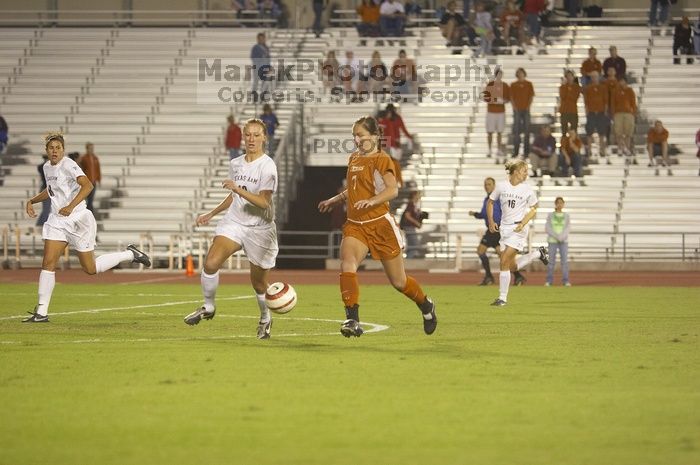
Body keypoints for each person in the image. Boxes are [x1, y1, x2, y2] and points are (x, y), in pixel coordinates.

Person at [317, 115, 437, 337]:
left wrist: (371, 201)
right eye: (354, 135)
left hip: (380, 225)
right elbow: (355, 189)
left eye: (360, 135)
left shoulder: (382, 160)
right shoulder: (354, 158)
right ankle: (352, 319)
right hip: (356, 225)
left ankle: (426, 304)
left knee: (399, 283)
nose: (356, 139)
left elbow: (392, 190)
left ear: (375, 136)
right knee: (347, 264)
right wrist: (335, 200)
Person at [22, 132, 151, 323]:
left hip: (78, 219)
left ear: (63, 150)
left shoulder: (69, 164)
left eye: (58, 147)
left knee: (91, 269)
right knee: (48, 263)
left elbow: (88, 186)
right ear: (47, 151)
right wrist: (32, 200)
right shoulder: (47, 167)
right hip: (57, 221)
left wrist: (70, 206)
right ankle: (41, 311)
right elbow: (51, 191)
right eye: (51, 148)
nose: (55, 151)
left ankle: (130, 254)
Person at [183, 119, 279, 340]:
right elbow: (234, 196)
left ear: (264, 137)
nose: (252, 139)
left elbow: (264, 202)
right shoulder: (236, 163)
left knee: (258, 283)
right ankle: (208, 306)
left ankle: (265, 317)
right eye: (248, 135)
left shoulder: (267, 166)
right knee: (211, 262)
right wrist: (212, 213)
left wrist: (237, 188)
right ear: (243, 137)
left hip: (260, 229)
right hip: (234, 222)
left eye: (256, 135)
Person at [486, 159, 548, 307]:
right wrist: (491, 221)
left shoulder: (527, 189)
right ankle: (538, 254)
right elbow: (490, 202)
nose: (526, 173)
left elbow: (534, 208)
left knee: (503, 261)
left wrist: (523, 223)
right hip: (504, 229)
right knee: (512, 266)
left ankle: (502, 298)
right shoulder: (502, 186)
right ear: (515, 172)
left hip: (518, 230)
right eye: (524, 170)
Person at [469, 177, 526, 286]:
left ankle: (516, 276)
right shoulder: (487, 200)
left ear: (494, 186)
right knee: (482, 251)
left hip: (498, 230)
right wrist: (475, 214)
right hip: (491, 230)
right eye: (485, 184)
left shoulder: (499, 198)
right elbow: (484, 215)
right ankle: (490, 276)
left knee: (503, 256)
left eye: (489, 184)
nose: (487, 186)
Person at [380, 103, 412, 187]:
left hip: (392, 144)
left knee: (394, 163)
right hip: (391, 144)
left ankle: (397, 180)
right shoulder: (385, 120)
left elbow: (400, 130)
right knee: (393, 163)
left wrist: (409, 137)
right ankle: (396, 180)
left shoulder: (389, 120)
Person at [583, 71, 610, 161]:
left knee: (601, 133)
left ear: (598, 77)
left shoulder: (603, 87)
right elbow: (586, 101)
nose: (594, 78)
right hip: (591, 112)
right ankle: (590, 150)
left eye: (596, 76)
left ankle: (602, 150)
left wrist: (605, 111)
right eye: (592, 77)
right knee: (589, 133)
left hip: (601, 112)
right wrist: (586, 111)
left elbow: (606, 100)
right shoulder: (588, 88)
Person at [483, 67, 510, 158]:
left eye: (501, 74)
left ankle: (498, 149)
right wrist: (494, 100)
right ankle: (489, 149)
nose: (499, 76)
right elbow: (485, 98)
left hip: (501, 112)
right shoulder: (490, 84)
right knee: (490, 131)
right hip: (491, 111)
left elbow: (508, 98)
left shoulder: (505, 85)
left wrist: (502, 101)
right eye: (498, 74)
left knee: (499, 132)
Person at [545, 197, 571, 287]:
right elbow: (547, 228)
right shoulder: (550, 215)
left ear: (563, 204)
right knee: (551, 262)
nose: (560, 205)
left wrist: (562, 237)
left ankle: (566, 280)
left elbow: (568, 228)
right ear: (555, 204)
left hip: (563, 241)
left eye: (561, 203)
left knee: (564, 262)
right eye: (558, 203)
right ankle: (549, 281)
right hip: (552, 241)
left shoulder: (566, 215)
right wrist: (557, 236)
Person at [510, 68, 534, 159]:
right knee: (517, 131)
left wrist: (528, 106)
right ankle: (516, 152)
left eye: (522, 73)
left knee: (527, 131)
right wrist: (514, 107)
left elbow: (531, 96)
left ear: (524, 74)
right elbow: (511, 97)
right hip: (517, 110)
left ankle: (526, 152)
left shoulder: (529, 84)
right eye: (519, 73)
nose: (520, 75)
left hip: (526, 110)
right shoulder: (513, 85)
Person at [611, 77, 637, 158]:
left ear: (625, 82)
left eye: (622, 81)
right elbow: (613, 103)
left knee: (628, 133)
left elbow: (633, 102)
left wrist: (633, 113)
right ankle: (620, 148)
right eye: (620, 81)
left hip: (628, 113)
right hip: (618, 113)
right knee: (619, 132)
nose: (621, 83)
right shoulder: (615, 91)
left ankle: (627, 148)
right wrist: (613, 113)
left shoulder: (630, 91)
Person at [400, 191, 425, 258]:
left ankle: (408, 259)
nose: (419, 197)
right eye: (418, 195)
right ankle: (409, 259)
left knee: (411, 244)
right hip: (409, 227)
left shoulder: (413, 205)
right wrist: (416, 223)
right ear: (414, 196)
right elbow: (407, 215)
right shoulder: (411, 204)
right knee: (415, 244)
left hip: (409, 227)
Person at [77, 142, 101, 214]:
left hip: (93, 182)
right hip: (87, 182)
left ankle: (90, 214)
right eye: (90, 148)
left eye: (92, 148)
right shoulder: (84, 158)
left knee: (91, 199)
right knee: (86, 199)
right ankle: (87, 214)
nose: (91, 150)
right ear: (87, 149)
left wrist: (99, 179)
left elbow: (98, 169)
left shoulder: (95, 158)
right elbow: (82, 169)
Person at [559, 70, 581, 134]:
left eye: (570, 76)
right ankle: (564, 143)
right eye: (567, 76)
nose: (569, 78)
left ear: (573, 77)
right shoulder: (562, 87)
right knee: (564, 131)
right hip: (564, 110)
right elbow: (562, 96)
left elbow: (575, 97)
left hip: (573, 111)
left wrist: (568, 93)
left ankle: (572, 143)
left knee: (573, 130)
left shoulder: (577, 87)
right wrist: (565, 86)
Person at [250, 32, 271, 99]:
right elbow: (253, 57)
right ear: (258, 39)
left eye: (263, 38)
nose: (262, 40)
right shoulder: (255, 47)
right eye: (260, 39)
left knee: (265, 81)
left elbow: (268, 58)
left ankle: (263, 95)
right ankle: (254, 95)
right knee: (256, 81)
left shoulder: (266, 48)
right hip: (257, 67)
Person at [36, 154, 51, 226]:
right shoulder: (44, 167)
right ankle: (41, 224)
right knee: (46, 209)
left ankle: (40, 224)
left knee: (46, 209)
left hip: (47, 189)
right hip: (46, 190)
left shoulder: (42, 167)